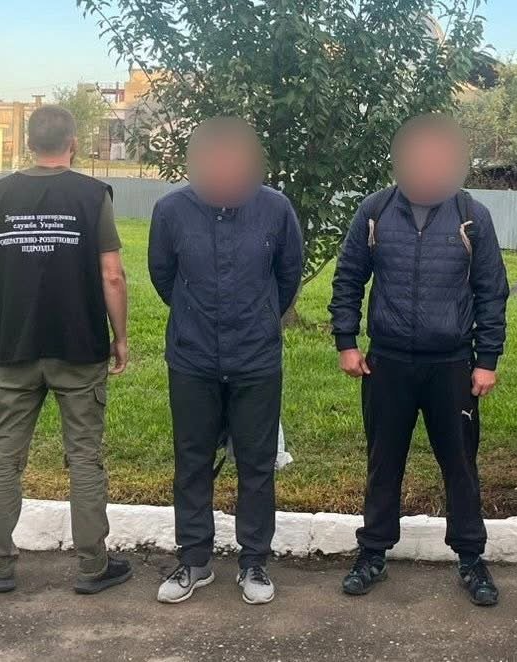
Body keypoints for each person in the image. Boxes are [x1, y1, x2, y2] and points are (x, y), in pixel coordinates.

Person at [328, 113, 510, 606]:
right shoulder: (375, 210)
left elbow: (491, 291)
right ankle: (372, 553)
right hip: (387, 363)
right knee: (383, 462)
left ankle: (471, 558)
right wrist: (346, 341)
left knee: (461, 465)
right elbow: (348, 277)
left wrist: (487, 359)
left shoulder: (472, 216)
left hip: (452, 365)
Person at [0, 104, 132, 595]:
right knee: (84, 456)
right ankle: (92, 565)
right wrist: (120, 337)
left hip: (15, 347)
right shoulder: (93, 195)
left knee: (5, 458)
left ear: (28, 144)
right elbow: (112, 275)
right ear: (74, 144)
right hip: (79, 346)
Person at [149, 117, 303, 605]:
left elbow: (288, 275)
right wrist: (196, 316)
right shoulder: (171, 210)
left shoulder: (275, 208)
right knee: (192, 461)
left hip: (256, 360)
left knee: (256, 465)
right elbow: (163, 275)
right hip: (192, 359)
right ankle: (194, 560)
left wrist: (260, 317)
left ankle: (254, 561)